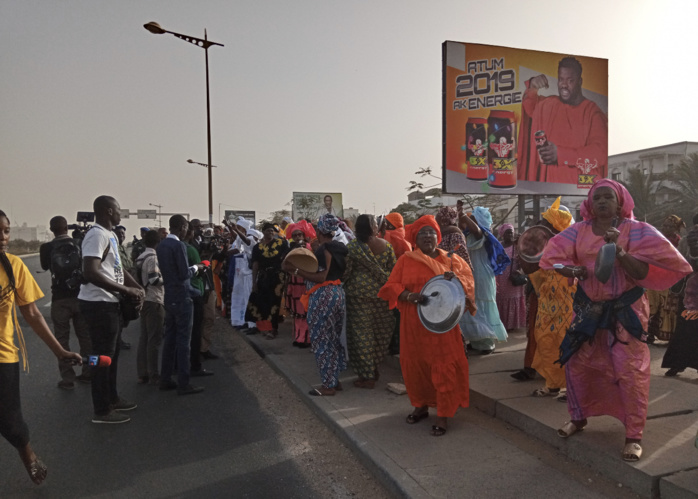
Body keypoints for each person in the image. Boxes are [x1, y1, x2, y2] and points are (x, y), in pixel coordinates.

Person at [541, 179, 692, 462]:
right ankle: (579, 417)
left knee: (629, 369)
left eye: (607, 197)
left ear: (620, 201)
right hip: (588, 311)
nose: (601, 202)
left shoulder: (637, 231)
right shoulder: (577, 233)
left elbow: (650, 269)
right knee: (577, 365)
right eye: (596, 198)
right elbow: (553, 261)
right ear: (589, 203)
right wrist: (573, 270)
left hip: (626, 310)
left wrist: (620, 251)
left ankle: (634, 435)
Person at [0, 209, 82, 484]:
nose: (3, 237)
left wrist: (60, 351)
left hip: (3, 358)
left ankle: (27, 453)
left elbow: (33, 314)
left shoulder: (13, 266)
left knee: (11, 424)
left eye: (7, 231)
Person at [378, 215, 474, 436]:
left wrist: (456, 280)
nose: (427, 236)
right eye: (422, 233)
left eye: (431, 232)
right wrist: (410, 296)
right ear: (415, 238)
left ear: (438, 236)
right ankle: (420, 405)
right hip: (413, 324)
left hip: (443, 326)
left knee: (444, 367)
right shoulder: (406, 260)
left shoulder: (451, 260)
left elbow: (468, 283)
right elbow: (391, 286)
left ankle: (443, 415)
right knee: (416, 367)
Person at [78, 195, 144, 424]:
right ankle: (101, 410)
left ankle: (112, 397)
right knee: (101, 357)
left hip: (110, 303)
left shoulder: (110, 236)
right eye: (117, 210)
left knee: (112, 354)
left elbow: (116, 268)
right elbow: (91, 272)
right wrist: (126, 292)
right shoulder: (96, 235)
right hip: (98, 305)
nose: (120, 214)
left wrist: (135, 287)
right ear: (107, 211)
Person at [517, 57, 608, 184]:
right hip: (548, 190)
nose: (564, 85)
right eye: (561, 80)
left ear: (580, 82)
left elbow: (600, 152)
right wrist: (532, 87)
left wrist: (560, 154)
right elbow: (531, 108)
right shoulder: (549, 104)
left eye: (570, 80)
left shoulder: (592, 112)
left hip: (580, 190)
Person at [284, 214, 347, 396]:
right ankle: (334, 380)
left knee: (321, 340)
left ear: (319, 230)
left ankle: (328, 385)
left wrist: (296, 270)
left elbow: (321, 277)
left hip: (322, 296)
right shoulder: (341, 248)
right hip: (338, 293)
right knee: (334, 339)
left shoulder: (324, 250)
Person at [520, 198, 576, 399]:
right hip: (546, 304)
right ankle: (552, 384)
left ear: (555, 226)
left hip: (566, 305)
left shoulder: (573, 245)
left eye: (545, 223)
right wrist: (525, 247)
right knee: (545, 342)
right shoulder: (543, 246)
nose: (540, 225)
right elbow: (530, 269)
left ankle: (570, 388)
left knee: (565, 344)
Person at [343, 214, 396, 388]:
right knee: (380, 332)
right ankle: (374, 367)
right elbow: (393, 272)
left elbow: (346, 273)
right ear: (374, 228)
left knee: (361, 335)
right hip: (382, 296)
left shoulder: (352, 248)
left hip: (358, 297)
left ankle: (367, 375)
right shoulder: (387, 246)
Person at [39, 215, 92, 389]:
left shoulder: (47, 247)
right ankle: (88, 372)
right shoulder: (79, 243)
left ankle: (68, 379)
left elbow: (46, 266)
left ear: (51, 229)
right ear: (67, 228)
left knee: (62, 340)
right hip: (81, 296)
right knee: (85, 338)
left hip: (59, 298)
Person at [157, 215, 205, 396]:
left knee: (169, 340)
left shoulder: (161, 245)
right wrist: (198, 268)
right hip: (182, 295)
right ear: (182, 227)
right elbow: (185, 273)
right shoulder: (178, 246)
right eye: (186, 227)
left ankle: (165, 378)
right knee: (184, 341)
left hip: (169, 296)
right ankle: (184, 383)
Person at [458, 206, 509, 354]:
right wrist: (461, 215)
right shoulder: (468, 234)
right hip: (474, 275)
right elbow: (462, 226)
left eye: (472, 217)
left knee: (482, 309)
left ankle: (486, 343)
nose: (469, 219)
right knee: (473, 308)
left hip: (481, 275)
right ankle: (477, 341)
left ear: (478, 221)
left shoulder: (482, 233)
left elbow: (476, 230)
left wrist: (464, 215)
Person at [662, 225, 698, 376]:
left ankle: (677, 364)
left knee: (684, 329)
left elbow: (679, 263)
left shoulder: (686, 240)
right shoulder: (686, 240)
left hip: (688, 295)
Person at [246, 223, 289, 340]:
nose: (271, 233)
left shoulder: (281, 243)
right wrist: (254, 282)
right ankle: (265, 328)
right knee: (262, 302)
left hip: (278, 277)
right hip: (264, 276)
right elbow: (255, 265)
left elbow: (288, 258)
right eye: (268, 231)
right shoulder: (257, 247)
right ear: (263, 232)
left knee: (274, 302)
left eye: (272, 231)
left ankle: (274, 329)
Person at [646, 214, 685, 343]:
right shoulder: (657, 239)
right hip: (654, 277)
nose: (665, 228)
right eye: (664, 225)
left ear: (675, 229)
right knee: (653, 305)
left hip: (670, 278)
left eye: (669, 226)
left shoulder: (679, 242)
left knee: (667, 307)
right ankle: (650, 334)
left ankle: (669, 336)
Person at [183, 224, 214, 377]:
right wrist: (203, 264)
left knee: (205, 321)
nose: (201, 231)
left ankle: (202, 350)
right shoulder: (189, 248)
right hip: (195, 290)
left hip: (198, 288)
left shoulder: (192, 246)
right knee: (194, 329)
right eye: (197, 228)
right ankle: (194, 363)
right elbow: (197, 270)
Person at [134, 229, 164, 385]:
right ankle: (154, 374)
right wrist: (167, 277)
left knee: (144, 338)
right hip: (154, 299)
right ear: (158, 242)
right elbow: (154, 279)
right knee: (154, 338)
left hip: (144, 299)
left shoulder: (141, 257)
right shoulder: (153, 257)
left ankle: (142, 372)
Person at [284, 221, 315, 348]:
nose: (297, 237)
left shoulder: (309, 247)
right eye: (295, 235)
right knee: (296, 312)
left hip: (305, 282)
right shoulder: (290, 248)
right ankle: (298, 337)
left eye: (299, 235)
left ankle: (307, 338)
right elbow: (285, 265)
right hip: (293, 283)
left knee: (305, 311)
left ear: (304, 235)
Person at [494, 223, 527, 331]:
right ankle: (501, 323)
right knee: (500, 299)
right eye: (507, 233)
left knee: (513, 300)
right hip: (500, 278)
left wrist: (520, 271)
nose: (510, 235)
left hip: (512, 278)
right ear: (502, 234)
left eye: (511, 233)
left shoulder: (517, 246)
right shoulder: (498, 245)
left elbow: (523, 260)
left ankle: (512, 324)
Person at [229, 218, 257, 332]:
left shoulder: (251, 238)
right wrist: (231, 228)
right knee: (239, 298)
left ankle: (252, 325)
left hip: (249, 275)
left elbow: (246, 240)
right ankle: (242, 321)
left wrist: (235, 230)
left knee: (248, 299)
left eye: (239, 228)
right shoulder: (239, 238)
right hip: (241, 273)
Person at [113, 224, 134, 350]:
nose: (122, 236)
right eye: (119, 233)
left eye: (123, 234)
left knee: (125, 317)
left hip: (127, 285)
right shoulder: (113, 248)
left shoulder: (123, 248)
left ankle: (118, 339)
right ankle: (117, 341)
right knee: (119, 317)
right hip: (119, 286)